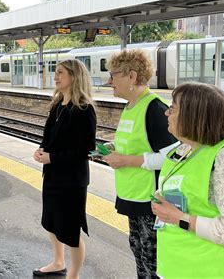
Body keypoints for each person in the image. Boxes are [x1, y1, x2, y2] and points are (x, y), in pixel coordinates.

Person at [151, 83, 224, 278]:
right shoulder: (185, 149)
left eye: (173, 108)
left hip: (209, 269)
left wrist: (179, 218)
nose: (167, 113)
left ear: (194, 115)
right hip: (178, 264)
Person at [102, 49, 177, 279]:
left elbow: (173, 155)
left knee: (151, 258)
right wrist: (115, 146)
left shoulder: (154, 109)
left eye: (113, 75)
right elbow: (137, 140)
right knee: (138, 249)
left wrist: (127, 160)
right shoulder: (130, 105)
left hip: (149, 200)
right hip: (132, 194)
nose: (109, 81)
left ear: (131, 77)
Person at [32, 60, 96, 279]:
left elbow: (86, 151)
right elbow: (49, 138)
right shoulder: (57, 105)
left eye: (60, 73)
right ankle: (58, 262)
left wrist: (52, 157)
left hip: (71, 181)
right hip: (52, 176)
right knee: (51, 222)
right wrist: (42, 150)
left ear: (74, 76)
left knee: (70, 229)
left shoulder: (84, 109)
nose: (55, 76)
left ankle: (73, 275)